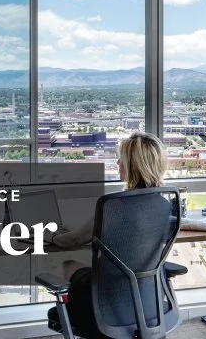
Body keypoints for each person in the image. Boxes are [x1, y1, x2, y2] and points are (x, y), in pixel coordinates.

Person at [48, 131, 170, 335]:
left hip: (106, 308)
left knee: (69, 265)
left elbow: (73, 241)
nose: (117, 163)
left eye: (121, 160)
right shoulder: (165, 205)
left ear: (132, 166)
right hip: (151, 302)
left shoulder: (113, 207)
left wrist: (51, 235)